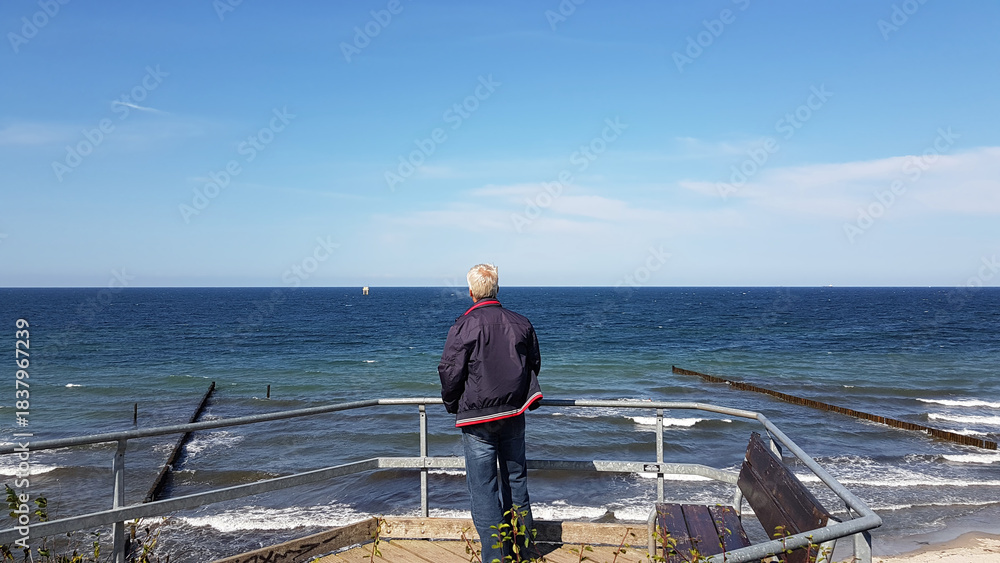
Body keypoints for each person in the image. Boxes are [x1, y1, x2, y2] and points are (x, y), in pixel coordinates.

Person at [438, 263, 543, 563]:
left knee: (484, 491)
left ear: (471, 292)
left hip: (477, 419)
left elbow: (449, 372)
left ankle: (495, 558)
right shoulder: (521, 323)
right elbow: (533, 363)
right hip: (513, 413)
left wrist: (452, 404)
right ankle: (524, 551)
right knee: (516, 482)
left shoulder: (463, 326)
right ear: (497, 289)